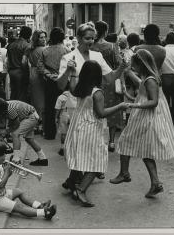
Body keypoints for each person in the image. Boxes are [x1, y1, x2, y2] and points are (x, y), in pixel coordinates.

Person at [57, 22, 125, 188]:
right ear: (79, 38)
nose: (90, 42)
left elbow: (109, 78)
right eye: (87, 38)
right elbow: (60, 86)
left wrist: (123, 66)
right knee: (78, 144)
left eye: (92, 39)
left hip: (93, 106)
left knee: (89, 144)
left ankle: (76, 178)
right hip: (76, 105)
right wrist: (68, 71)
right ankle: (78, 178)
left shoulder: (97, 56)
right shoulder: (68, 57)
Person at [112, 49, 174, 198]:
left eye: (135, 64)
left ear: (141, 64)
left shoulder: (150, 79)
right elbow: (141, 85)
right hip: (145, 114)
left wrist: (133, 105)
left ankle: (124, 173)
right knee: (145, 150)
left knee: (125, 140)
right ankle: (155, 183)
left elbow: (153, 102)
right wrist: (128, 72)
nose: (133, 67)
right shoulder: (149, 78)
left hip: (147, 115)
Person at [63, 60, 129, 207]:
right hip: (90, 128)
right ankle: (81, 190)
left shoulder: (79, 88)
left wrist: (73, 73)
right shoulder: (97, 93)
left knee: (79, 155)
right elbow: (101, 113)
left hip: (77, 126)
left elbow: (72, 84)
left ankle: (71, 181)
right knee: (96, 162)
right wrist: (120, 106)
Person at [0, 139, 57, 220]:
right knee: (18, 207)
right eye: (2, 155)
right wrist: (7, 173)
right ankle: (45, 213)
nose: (4, 156)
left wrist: (10, 171)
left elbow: (3, 178)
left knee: (19, 191)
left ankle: (40, 206)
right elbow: (1, 185)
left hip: (1, 194)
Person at [91, 20, 122, 154]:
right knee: (112, 112)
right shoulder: (111, 46)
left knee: (95, 111)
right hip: (109, 81)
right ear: (106, 31)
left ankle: (96, 140)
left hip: (94, 82)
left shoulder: (90, 46)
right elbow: (118, 63)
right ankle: (112, 141)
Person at [0, 98, 48, 166]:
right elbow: (3, 124)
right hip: (30, 116)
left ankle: (16, 159)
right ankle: (43, 159)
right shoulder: (4, 107)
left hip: (30, 117)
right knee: (29, 139)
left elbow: (16, 124)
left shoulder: (9, 110)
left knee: (15, 134)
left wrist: (6, 131)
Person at [37, 27, 70, 140]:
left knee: (50, 107)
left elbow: (40, 67)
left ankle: (50, 133)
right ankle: (65, 133)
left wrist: (49, 74)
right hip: (64, 81)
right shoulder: (67, 50)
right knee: (65, 107)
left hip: (50, 82)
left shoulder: (45, 51)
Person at [24, 30, 47, 135]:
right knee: (42, 100)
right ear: (37, 38)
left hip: (32, 74)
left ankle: (36, 124)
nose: (44, 39)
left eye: (44, 37)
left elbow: (23, 62)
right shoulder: (44, 50)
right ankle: (41, 125)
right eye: (41, 37)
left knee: (35, 100)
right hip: (41, 75)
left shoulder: (30, 49)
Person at [7, 26, 32, 102]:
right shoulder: (27, 45)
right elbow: (24, 62)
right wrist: (26, 73)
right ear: (29, 35)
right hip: (21, 72)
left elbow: (7, 60)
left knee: (13, 93)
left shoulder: (11, 45)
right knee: (22, 95)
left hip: (11, 72)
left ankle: (11, 111)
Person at [55, 85, 77, 156]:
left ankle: (62, 148)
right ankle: (73, 148)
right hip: (74, 114)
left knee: (63, 132)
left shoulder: (61, 97)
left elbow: (58, 108)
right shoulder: (76, 96)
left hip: (64, 113)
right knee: (74, 132)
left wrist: (56, 117)